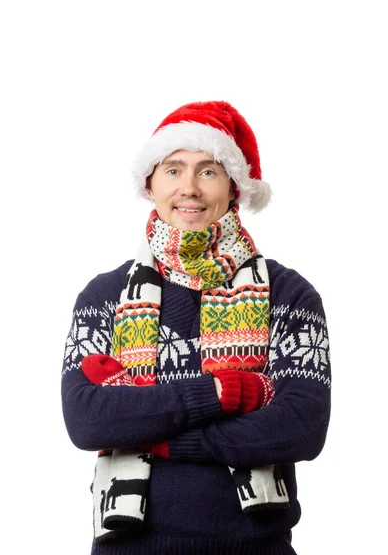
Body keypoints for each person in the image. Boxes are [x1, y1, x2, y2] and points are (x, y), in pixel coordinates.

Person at [62, 100, 331, 555]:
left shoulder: (290, 294)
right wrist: (221, 395)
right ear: (150, 184)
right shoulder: (104, 296)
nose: (189, 188)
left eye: (208, 171)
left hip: (255, 546)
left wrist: (158, 434)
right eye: (173, 170)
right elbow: (87, 420)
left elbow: (301, 426)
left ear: (234, 187)